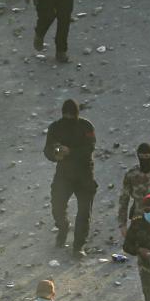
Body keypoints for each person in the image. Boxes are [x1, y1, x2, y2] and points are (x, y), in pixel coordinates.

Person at [44, 99, 96, 258]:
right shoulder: (55, 128)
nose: (68, 119)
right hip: (64, 174)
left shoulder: (86, 126)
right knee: (57, 207)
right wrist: (55, 154)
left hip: (84, 174)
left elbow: (89, 148)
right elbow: (47, 150)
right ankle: (63, 228)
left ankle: (78, 246)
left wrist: (70, 151)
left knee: (84, 212)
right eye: (66, 116)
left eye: (71, 116)